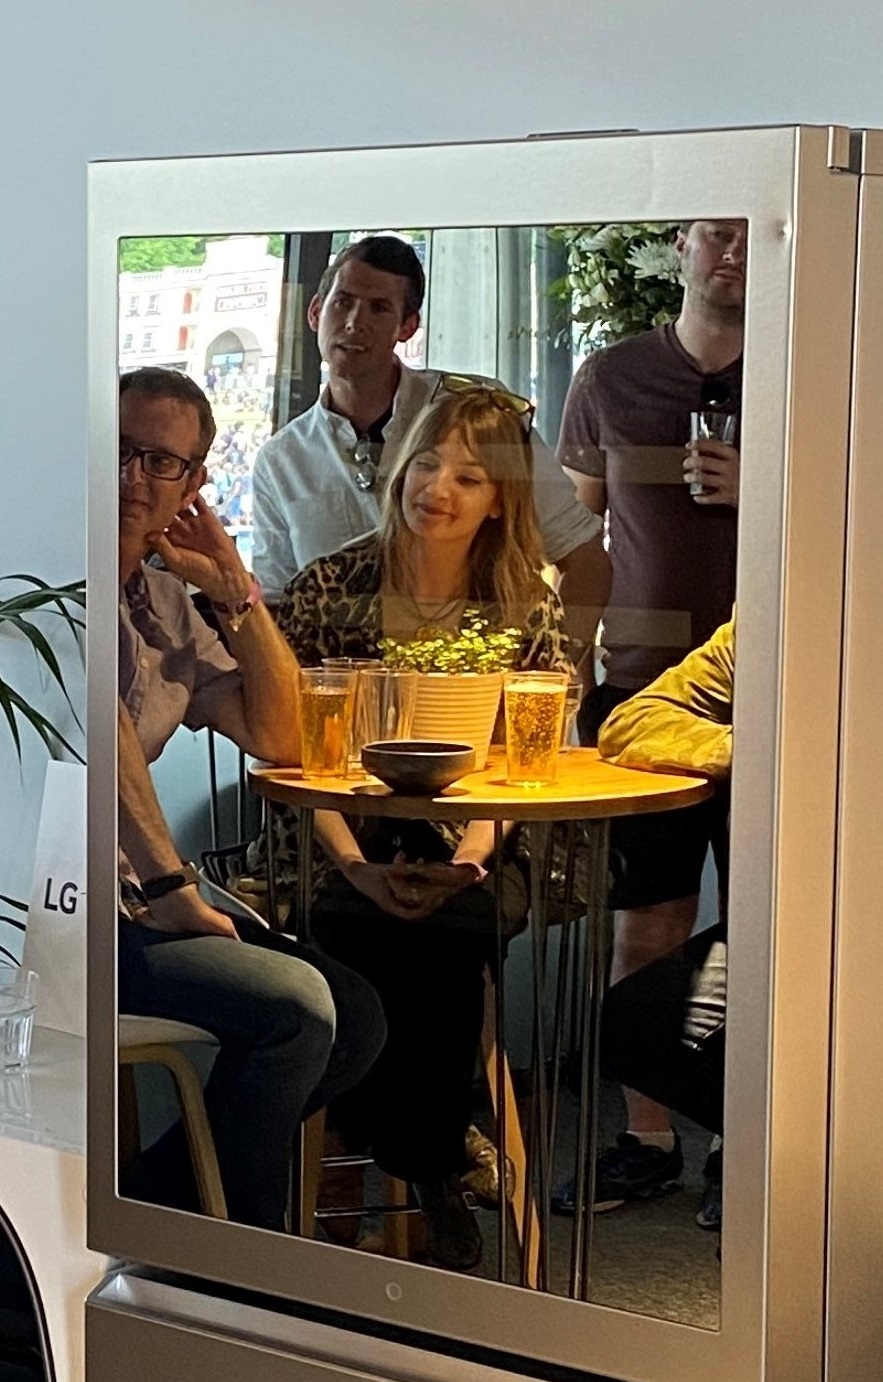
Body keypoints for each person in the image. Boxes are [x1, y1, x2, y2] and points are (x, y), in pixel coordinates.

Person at [278, 384, 568, 1273]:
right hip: (342, 836)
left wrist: (472, 858)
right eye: (428, 462)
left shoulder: (527, 601)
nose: (438, 487)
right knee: (361, 925)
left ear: (499, 499)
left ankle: (408, 1150)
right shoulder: (333, 583)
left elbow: (529, 754)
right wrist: (356, 863)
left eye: (470, 476)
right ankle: (438, 1158)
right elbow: (293, 745)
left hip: (480, 841)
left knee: (447, 929)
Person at [114, 366, 385, 1231]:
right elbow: (91, 732)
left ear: (192, 485)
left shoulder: (160, 598)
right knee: (294, 1012)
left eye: (160, 462)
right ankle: (241, 1268)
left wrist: (231, 584)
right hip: (68, 905)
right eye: (118, 451)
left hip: (141, 894)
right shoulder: (56, 581)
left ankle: (154, 1218)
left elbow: (283, 737)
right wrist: (169, 890)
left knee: (359, 1018)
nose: (132, 478)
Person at [555, 218, 745, 1222]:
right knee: (648, 919)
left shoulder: (812, 370)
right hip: (638, 691)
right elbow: (576, 535)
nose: (733, 254)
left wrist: (765, 488)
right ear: (680, 245)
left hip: (776, 686)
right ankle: (646, 1138)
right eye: (716, 234)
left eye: (755, 235)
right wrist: (561, 669)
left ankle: (745, 1144)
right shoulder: (610, 377)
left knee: (766, 930)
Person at [251, 235, 610, 658]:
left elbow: (585, 559)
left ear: (408, 327)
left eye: (378, 307)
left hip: (477, 693)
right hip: (352, 703)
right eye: (342, 302)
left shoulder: (474, 412)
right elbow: (275, 610)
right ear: (315, 311)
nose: (353, 322)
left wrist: (555, 675)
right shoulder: (281, 460)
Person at [594, 616, 734, 1188]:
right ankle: (655, 1141)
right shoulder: (765, 623)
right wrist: (767, 749)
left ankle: (747, 1158)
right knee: (635, 1015)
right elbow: (630, 722)